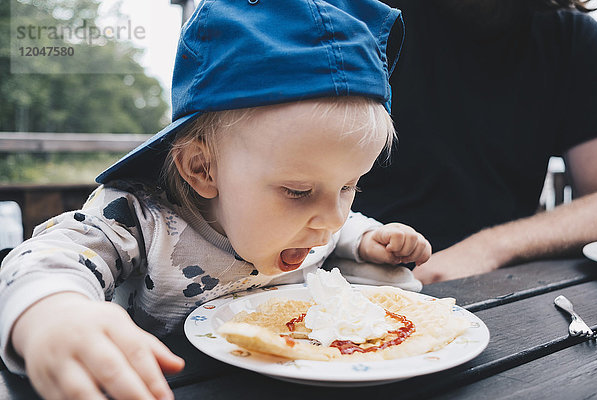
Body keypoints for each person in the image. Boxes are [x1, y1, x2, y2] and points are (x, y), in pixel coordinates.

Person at [0, 1, 431, 399]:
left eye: (348, 185)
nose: (331, 218)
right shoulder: (140, 218)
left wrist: (369, 238)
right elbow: (51, 255)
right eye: (299, 191)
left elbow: (340, 230)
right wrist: (51, 313)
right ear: (203, 170)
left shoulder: (313, 222)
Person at [353, 0, 597, 284]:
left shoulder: (572, 38)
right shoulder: (363, 14)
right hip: (353, 278)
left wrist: (488, 248)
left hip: (498, 285)